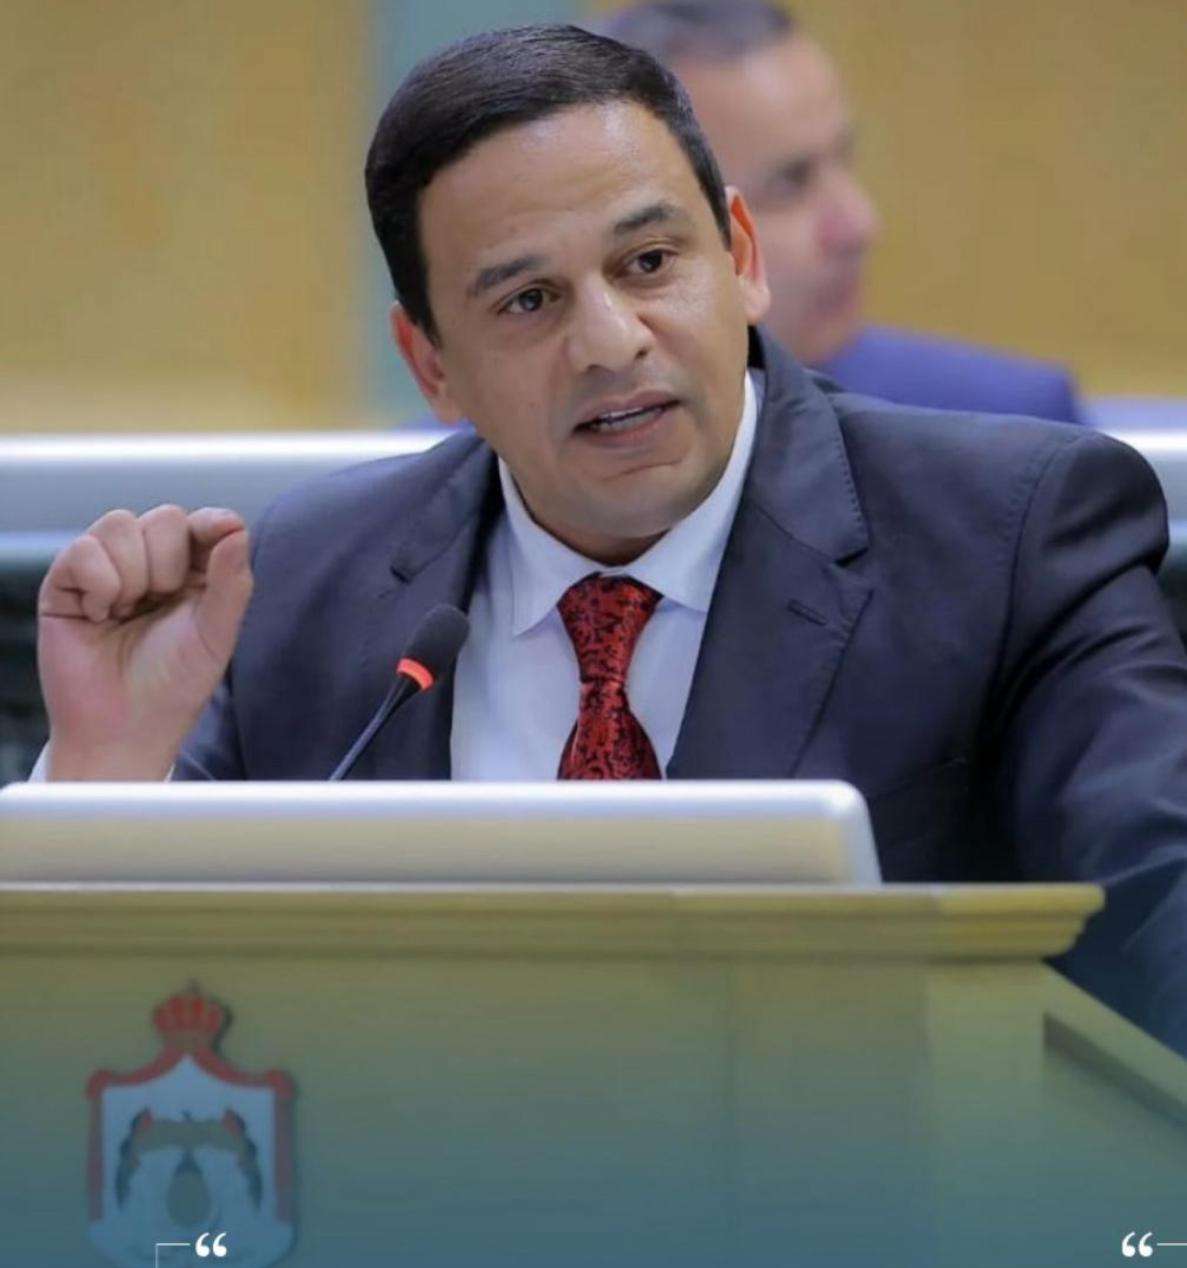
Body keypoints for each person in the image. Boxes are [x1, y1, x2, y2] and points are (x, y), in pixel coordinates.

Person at [35, 25, 1187, 1055]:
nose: (608, 340)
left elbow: (1158, 928)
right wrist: (105, 772)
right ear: (432, 364)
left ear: (739, 257)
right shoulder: (306, 582)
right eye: (527, 301)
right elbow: (119, 1049)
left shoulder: (1008, 539)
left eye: (647, 263)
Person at [596, 0, 1087, 422]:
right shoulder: (567, 449)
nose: (859, 226)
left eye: (844, 159)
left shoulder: (1006, 427)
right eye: (789, 184)